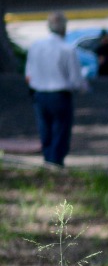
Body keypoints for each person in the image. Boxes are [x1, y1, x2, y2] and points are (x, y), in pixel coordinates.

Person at [24, 12, 88, 167]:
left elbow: (28, 74)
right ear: (64, 28)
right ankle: (55, 162)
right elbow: (75, 79)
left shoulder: (35, 46)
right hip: (60, 95)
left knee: (44, 129)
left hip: (39, 94)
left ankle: (48, 159)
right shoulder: (67, 49)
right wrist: (82, 88)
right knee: (60, 130)